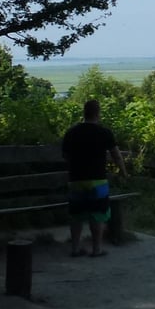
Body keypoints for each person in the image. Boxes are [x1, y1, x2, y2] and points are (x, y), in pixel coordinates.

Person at [61, 99, 128, 257]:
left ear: (84, 113)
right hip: (98, 181)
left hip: (76, 180)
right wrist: (123, 172)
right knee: (98, 215)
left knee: (76, 215)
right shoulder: (104, 133)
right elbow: (116, 155)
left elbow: (65, 155)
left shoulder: (72, 132)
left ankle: (75, 248)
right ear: (98, 113)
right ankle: (96, 249)